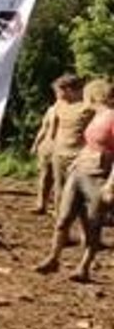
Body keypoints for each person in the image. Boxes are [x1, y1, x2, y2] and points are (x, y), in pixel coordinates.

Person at [35, 79, 114, 282]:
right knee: (63, 217)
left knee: (92, 223)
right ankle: (53, 257)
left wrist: (110, 185)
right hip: (79, 171)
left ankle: (84, 267)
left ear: (94, 95)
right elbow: (89, 143)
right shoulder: (97, 116)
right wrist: (76, 162)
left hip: (98, 175)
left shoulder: (112, 118)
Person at [46, 75, 93, 217]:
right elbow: (53, 128)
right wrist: (50, 146)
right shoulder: (59, 105)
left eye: (57, 91)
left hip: (79, 157)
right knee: (59, 189)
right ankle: (60, 221)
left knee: (81, 193)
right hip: (59, 155)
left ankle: (87, 226)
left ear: (68, 90)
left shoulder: (88, 108)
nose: (56, 94)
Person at [30, 77, 65, 214]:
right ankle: (41, 205)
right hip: (47, 147)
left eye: (58, 91)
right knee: (44, 176)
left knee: (60, 180)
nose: (57, 94)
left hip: (61, 147)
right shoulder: (51, 109)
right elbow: (44, 128)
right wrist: (36, 144)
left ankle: (58, 209)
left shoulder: (73, 109)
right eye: (56, 91)